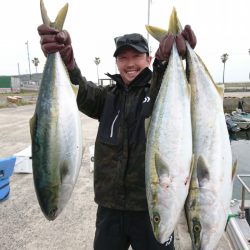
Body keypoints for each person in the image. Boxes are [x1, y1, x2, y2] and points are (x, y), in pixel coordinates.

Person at [38, 24, 196, 250]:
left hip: (151, 208)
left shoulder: (159, 94)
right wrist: (68, 63)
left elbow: (170, 85)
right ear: (116, 63)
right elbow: (80, 91)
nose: (130, 63)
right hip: (110, 209)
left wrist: (171, 60)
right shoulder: (106, 98)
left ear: (149, 59)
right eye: (123, 58)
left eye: (136, 56)